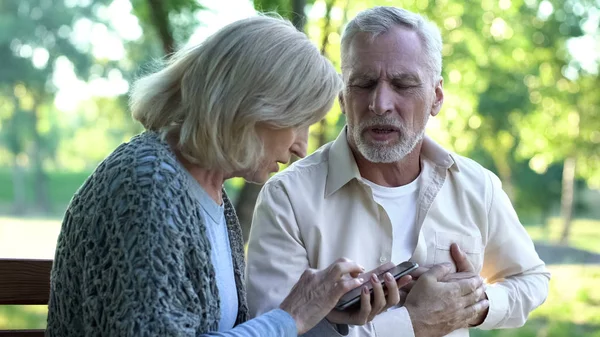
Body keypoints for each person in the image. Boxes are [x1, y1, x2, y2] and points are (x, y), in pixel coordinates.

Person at [45, 15, 401, 337]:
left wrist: (324, 313)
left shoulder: (209, 192)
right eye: (299, 123)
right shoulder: (148, 187)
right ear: (252, 107)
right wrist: (291, 316)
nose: (301, 148)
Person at [246, 6, 550, 337]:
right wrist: (414, 322)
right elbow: (272, 328)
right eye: (363, 83)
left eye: (403, 84)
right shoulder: (287, 196)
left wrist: (472, 305)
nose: (380, 103)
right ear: (343, 97)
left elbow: (531, 279)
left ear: (436, 97)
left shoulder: (477, 186)